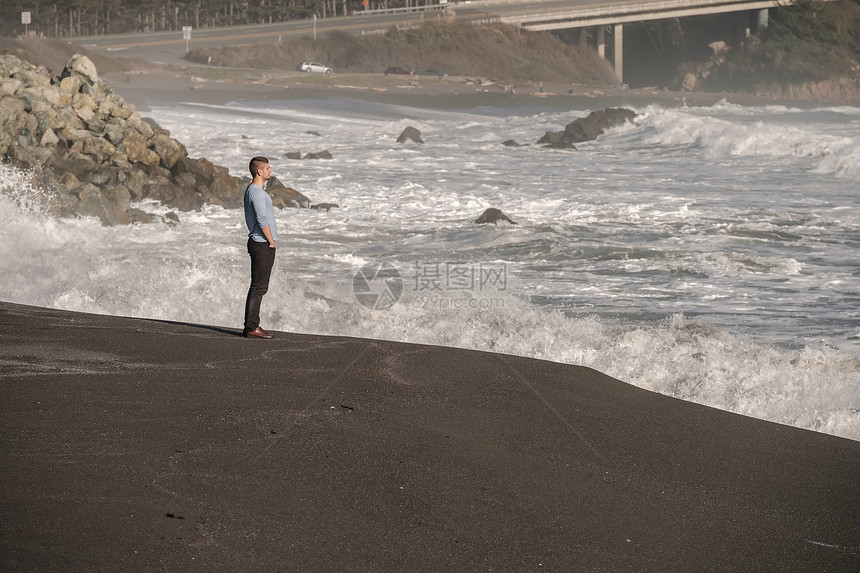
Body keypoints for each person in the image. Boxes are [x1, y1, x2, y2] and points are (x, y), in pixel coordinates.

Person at [242, 156, 277, 339]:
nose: (270, 171)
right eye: (268, 168)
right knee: (258, 287)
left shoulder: (254, 191)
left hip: (261, 242)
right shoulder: (256, 192)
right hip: (261, 243)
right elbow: (262, 219)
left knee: (258, 287)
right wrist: (271, 241)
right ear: (259, 171)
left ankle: (251, 325)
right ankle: (252, 327)